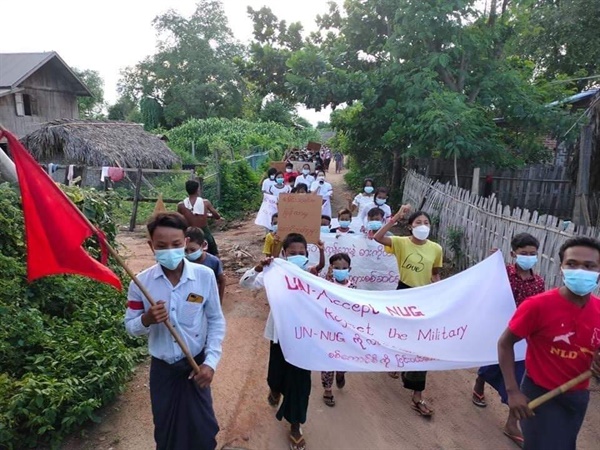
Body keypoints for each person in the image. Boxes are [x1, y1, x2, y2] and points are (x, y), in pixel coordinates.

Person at [124, 212, 226, 450]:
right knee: (166, 434)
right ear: (151, 246)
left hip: (195, 367)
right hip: (163, 371)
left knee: (203, 432)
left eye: (176, 244)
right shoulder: (140, 283)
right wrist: (147, 320)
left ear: (185, 243)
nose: (169, 250)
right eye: (161, 245)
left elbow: (215, 320)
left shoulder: (204, 276)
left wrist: (210, 363)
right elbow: (130, 327)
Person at [498, 237, 600, 450]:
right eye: (572, 264)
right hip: (540, 394)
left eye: (589, 266)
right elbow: (505, 344)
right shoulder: (537, 306)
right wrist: (513, 391)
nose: (580, 270)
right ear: (561, 267)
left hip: (578, 397)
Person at [240, 233, 325, 450]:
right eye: (293, 253)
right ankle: (275, 388)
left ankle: (295, 425)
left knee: (300, 382)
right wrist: (259, 268)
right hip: (279, 335)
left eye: (301, 253)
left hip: (305, 338)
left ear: (307, 255)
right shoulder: (273, 274)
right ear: (284, 254)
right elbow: (246, 284)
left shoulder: (312, 277)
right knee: (276, 375)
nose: (297, 256)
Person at [471, 233, 545, 446]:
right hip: (499, 329)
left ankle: (512, 423)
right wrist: (490, 264)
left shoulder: (538, 281)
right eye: (524, 253)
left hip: (524, 334)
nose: (529, 257)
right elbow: (485, 288)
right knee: (492, 363)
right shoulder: (503, 273)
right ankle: (479, 384)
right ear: (514, 254)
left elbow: (538, 306)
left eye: (532, 254)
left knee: (521, 375)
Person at [374, 206, 442, 417]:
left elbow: (435, 274)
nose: (423, 226)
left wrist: (439, 292)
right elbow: (378, 237)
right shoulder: (401, 243)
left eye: (426, 223)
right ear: (410, 226)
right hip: (403, 294)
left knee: (421, 343)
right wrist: (396, 217)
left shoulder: (436, 249)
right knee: (400, 335)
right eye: (418, 223)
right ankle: (396, 361)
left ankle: (417, 395)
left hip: (424, 298)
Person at [321, 252, 354, 407]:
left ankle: (341, 373)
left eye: (344, 268)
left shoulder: (353, 287)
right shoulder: (325, 284)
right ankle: (327, 389)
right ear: (331, 268)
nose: (341, 270)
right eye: (337, 267)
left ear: (349, 269)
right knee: (327, 361)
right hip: (328, 331)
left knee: (343, 358)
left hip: (346, 332)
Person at [177, 180, 221, 256]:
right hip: (204, 231)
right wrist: (207, 215)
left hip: (188, 232)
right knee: (214, 252)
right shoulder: (205, 202)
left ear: (186, 190)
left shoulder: (181, 205)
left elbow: (178, 219)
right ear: (197, 190)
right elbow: (217, 216)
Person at [185, 227, 226, 304]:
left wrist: (219, 301)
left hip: (209, 297)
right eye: (186, 250)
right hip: (191, 300)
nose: (189, 253)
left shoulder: (213, 261)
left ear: (203, 245)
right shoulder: (184, 262)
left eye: (193, 250)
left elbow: (222, 281)